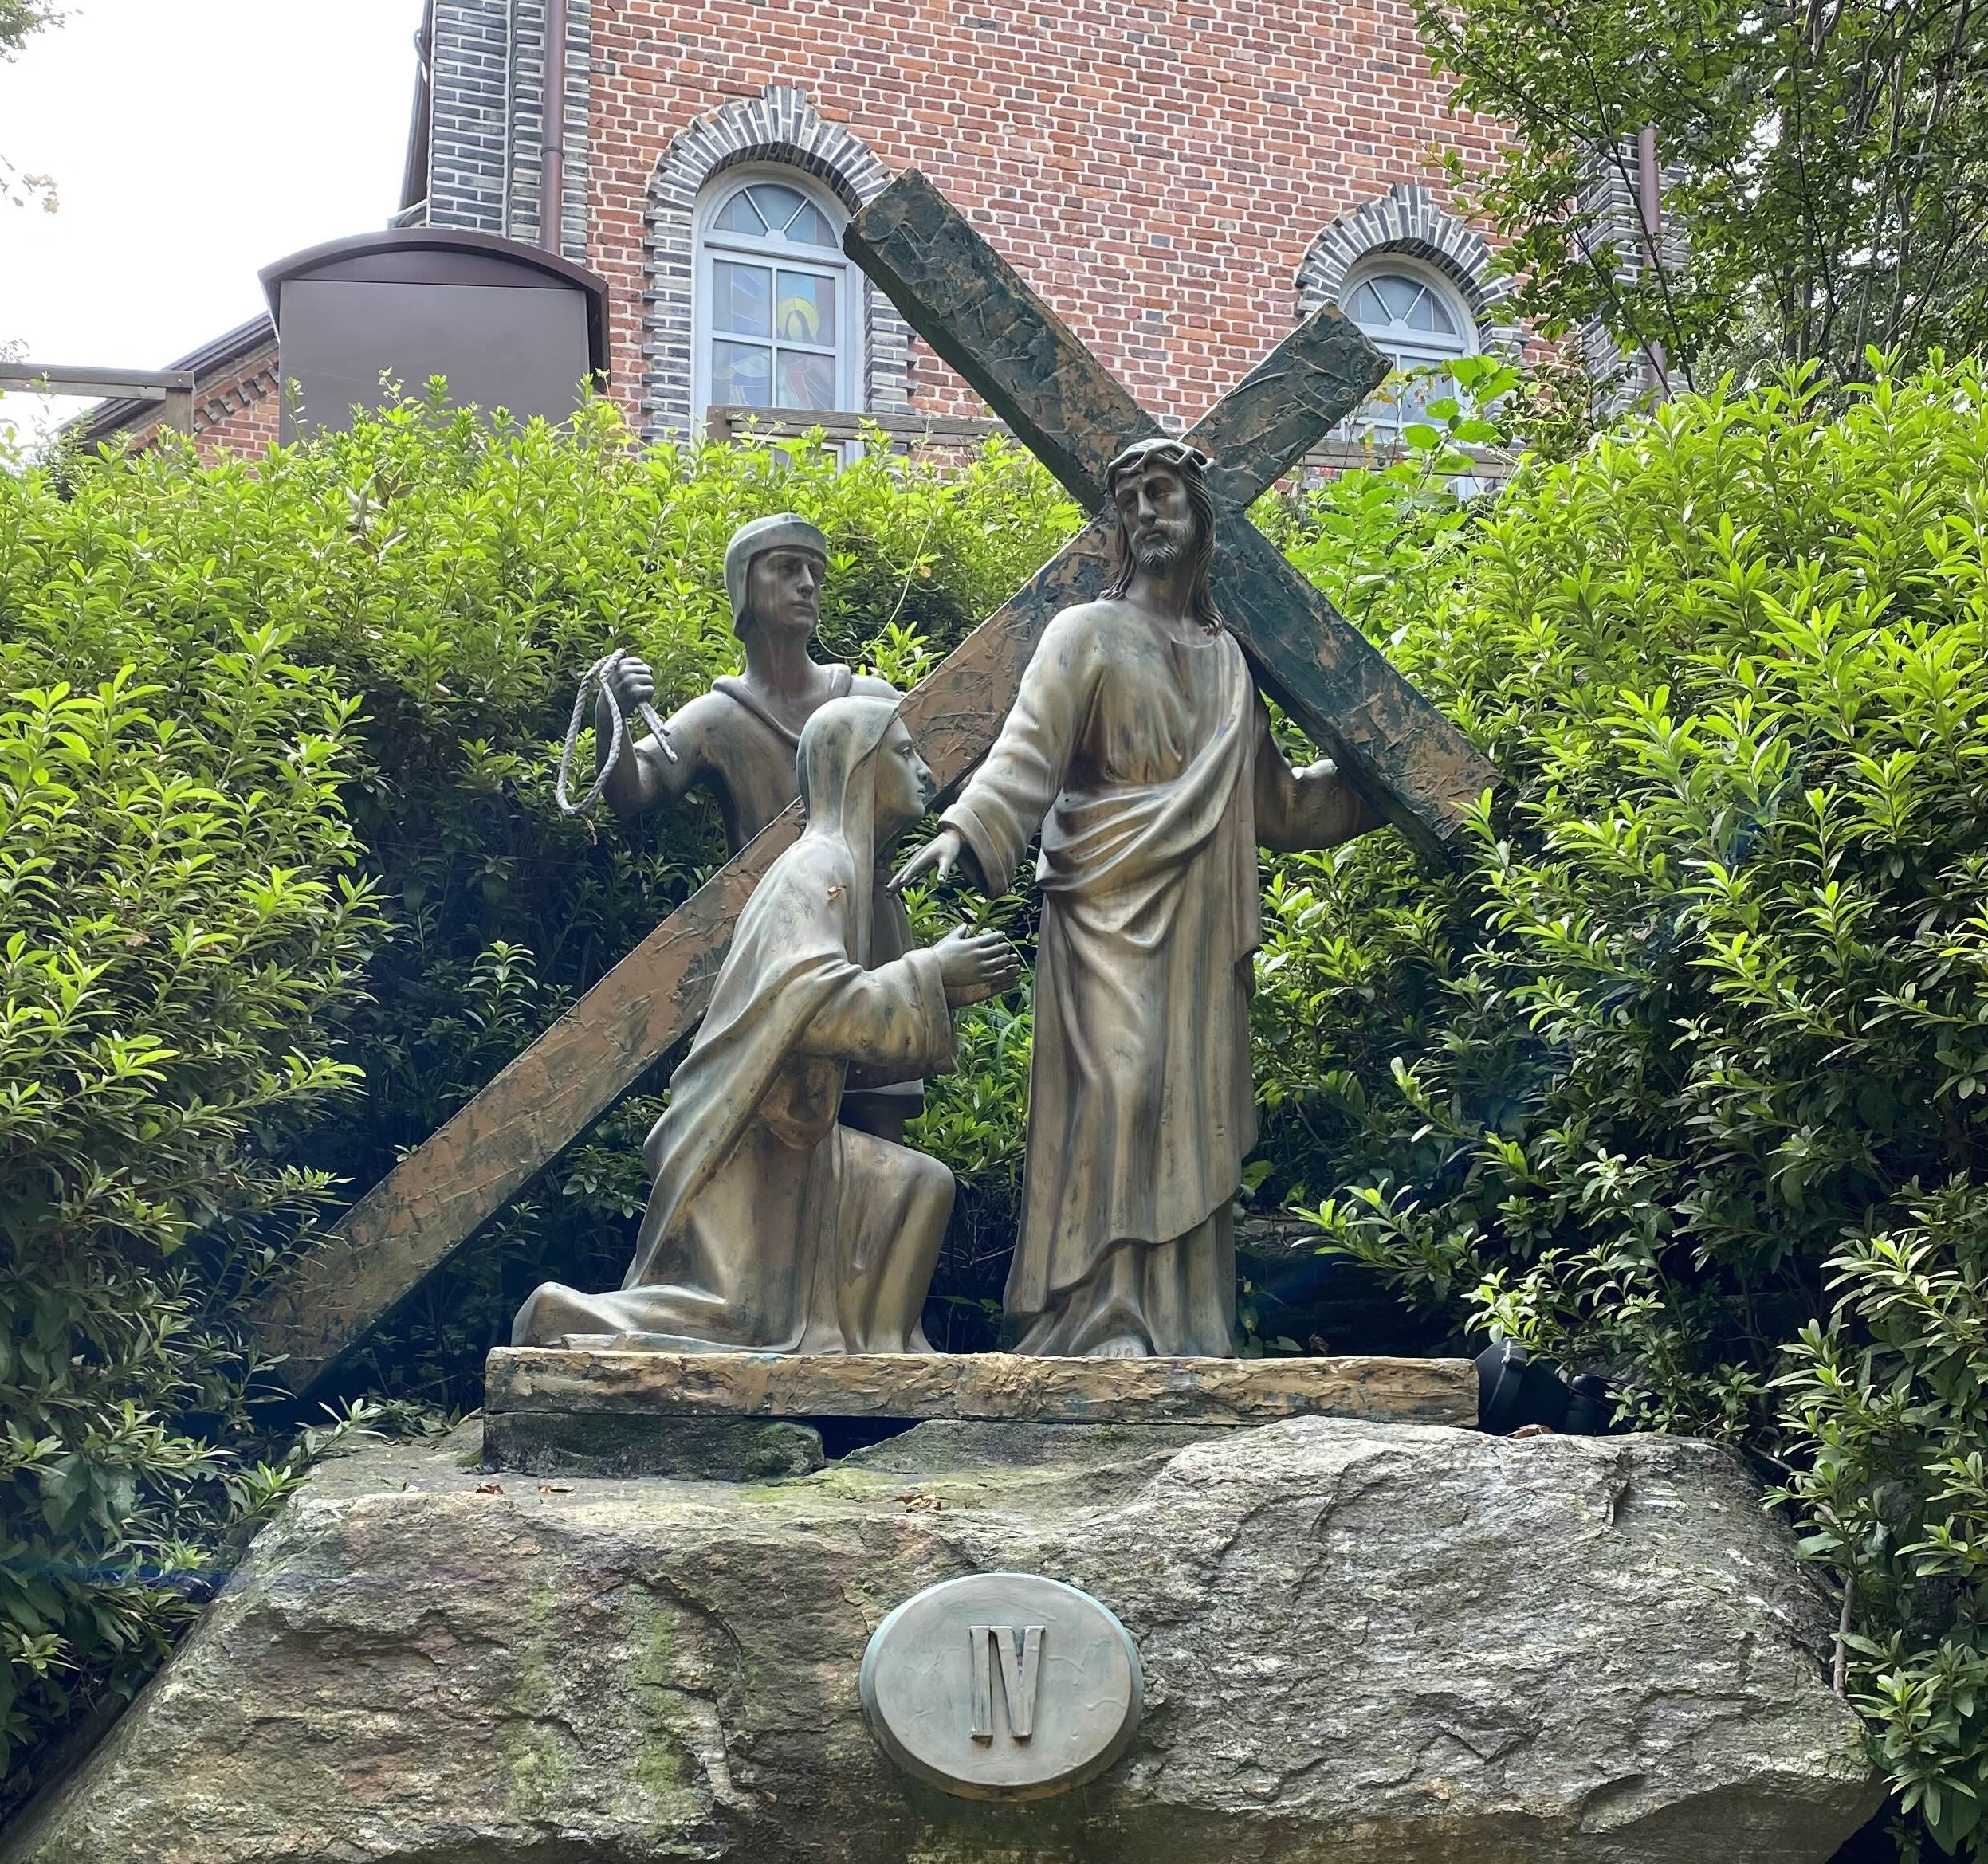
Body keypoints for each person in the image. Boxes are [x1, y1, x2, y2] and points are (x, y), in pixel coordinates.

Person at [888, 437, 1373, 1359]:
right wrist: (966, 830)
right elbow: (1027, 752)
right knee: (1120, 1088)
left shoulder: (1231, 662)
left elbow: (1275, 803)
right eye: (1131, 498)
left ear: (1200, 511)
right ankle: (1098, 1316)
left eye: (1162, 492)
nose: (1147, 510)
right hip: (1105, 913)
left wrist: (1375, 791)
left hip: (1200, 927)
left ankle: (1186, 1325)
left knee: (1190, 1108)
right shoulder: (1086, 634)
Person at [513, 696, 1020, 1354]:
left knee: (921, 1186)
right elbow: (811, 1004)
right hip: (742, 1136)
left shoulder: (850, 873)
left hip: (793, 1134)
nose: (925, 770)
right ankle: (571, 1316)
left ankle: (884, 1353)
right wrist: (931, 975)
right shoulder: (816, 868)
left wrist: (939, 987)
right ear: (859, 769)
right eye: (904, 753)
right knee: (745, 1320)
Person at [601, 512, 922, 1142]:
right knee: (776, 1139)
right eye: (786, 568)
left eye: (814, 572)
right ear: (745, 590)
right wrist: (610, 713)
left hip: (870, 933)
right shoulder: (716, 719)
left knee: (878, 1129)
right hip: (778, 951)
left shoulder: (872, 699)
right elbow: (634, 792)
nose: (807, 583)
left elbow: (930, 786)